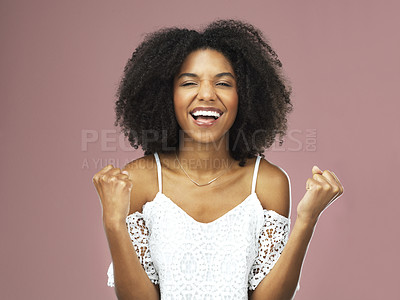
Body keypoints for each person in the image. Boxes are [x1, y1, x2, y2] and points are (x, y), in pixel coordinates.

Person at [92, 19, 344, 300]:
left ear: (245, 95)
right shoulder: (140, 179)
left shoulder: (267, 182)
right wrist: (113, 222)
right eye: (189, 82)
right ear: (166, 95)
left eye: (223, 83)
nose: (207, 95)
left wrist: (307, 220)